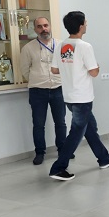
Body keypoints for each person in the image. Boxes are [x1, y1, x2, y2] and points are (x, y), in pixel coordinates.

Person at [49, 11, 109, 180]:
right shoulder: (84, 46)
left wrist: (70, 69)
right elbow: (94, 72)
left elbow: (55, 70)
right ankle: (58, 168)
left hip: (69, 97)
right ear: (81, 26)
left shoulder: (60, 45)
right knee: (76, 133)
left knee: (90, 128)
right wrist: (97, 67)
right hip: (82, 97)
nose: (86, 25)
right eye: (85, 23)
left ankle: (104, 158)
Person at [19, 17, 67, 165]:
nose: (43, 29)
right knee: (39, 124)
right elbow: (24, 70)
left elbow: (67, 65)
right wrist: (38, 79)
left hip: (58, 89)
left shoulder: (60, 45)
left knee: (61, 122)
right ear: (35, 29)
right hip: (37, 91)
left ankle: (63, 150)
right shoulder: (28, 48)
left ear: (50, 26)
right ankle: (40, 153)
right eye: (39, 26)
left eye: (46, 25)